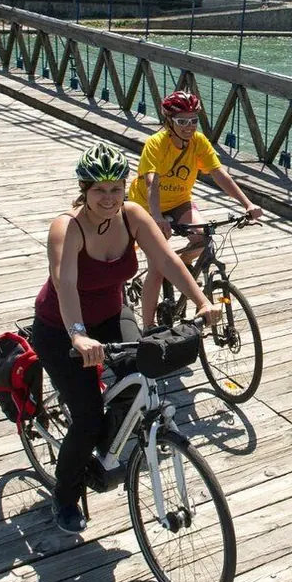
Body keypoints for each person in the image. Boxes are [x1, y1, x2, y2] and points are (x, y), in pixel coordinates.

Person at [32, 143, 221, 536]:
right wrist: (78, 336)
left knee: (140, 378)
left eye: (116, 188)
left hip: (111, 314)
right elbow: (65, 283)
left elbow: (167, 260)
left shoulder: (132, 215)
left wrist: (201, 300)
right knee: (86, 417)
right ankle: (65, 496)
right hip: (60, 326)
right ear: (83, 190)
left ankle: (109, 451)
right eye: (99, 190)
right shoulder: (67, 227)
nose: (108, 198)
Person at [128, 90, 263, 328]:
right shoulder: (156, 144)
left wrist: (247, 204)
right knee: (157, 268)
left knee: (203, 238)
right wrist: (157, 217)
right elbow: (151, 182)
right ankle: (148, 328)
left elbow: (219, 174)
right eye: (182, 121)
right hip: (147, 206)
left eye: (193, 120)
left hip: (180, 201)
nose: (189, 126)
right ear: (169, 121)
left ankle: (176, 265)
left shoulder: (199, 142)